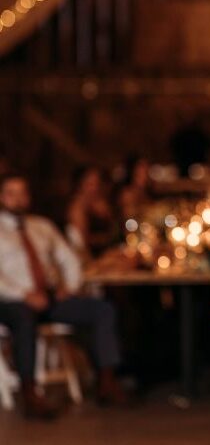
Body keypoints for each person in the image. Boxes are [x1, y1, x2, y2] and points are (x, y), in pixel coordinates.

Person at [0, 174, 128, 418]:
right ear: (2, 197)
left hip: (48, 296)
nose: (17, 199)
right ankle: (30, 392)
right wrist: (23, 294)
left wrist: (68, 287)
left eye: (22, 193)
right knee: (23, 319)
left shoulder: (42, 227)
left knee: (102, 310)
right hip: (10, 300)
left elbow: (69, 259)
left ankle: (106, 380)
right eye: (11, 193)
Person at [66, 167, 118, 259]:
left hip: (108, 253)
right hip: (90, 257)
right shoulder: (77, 208)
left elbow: (115, 229)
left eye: (97, 183)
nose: (95, 187)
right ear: (80, 184)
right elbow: (82, 243)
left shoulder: (102, 202)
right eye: (90, 184)